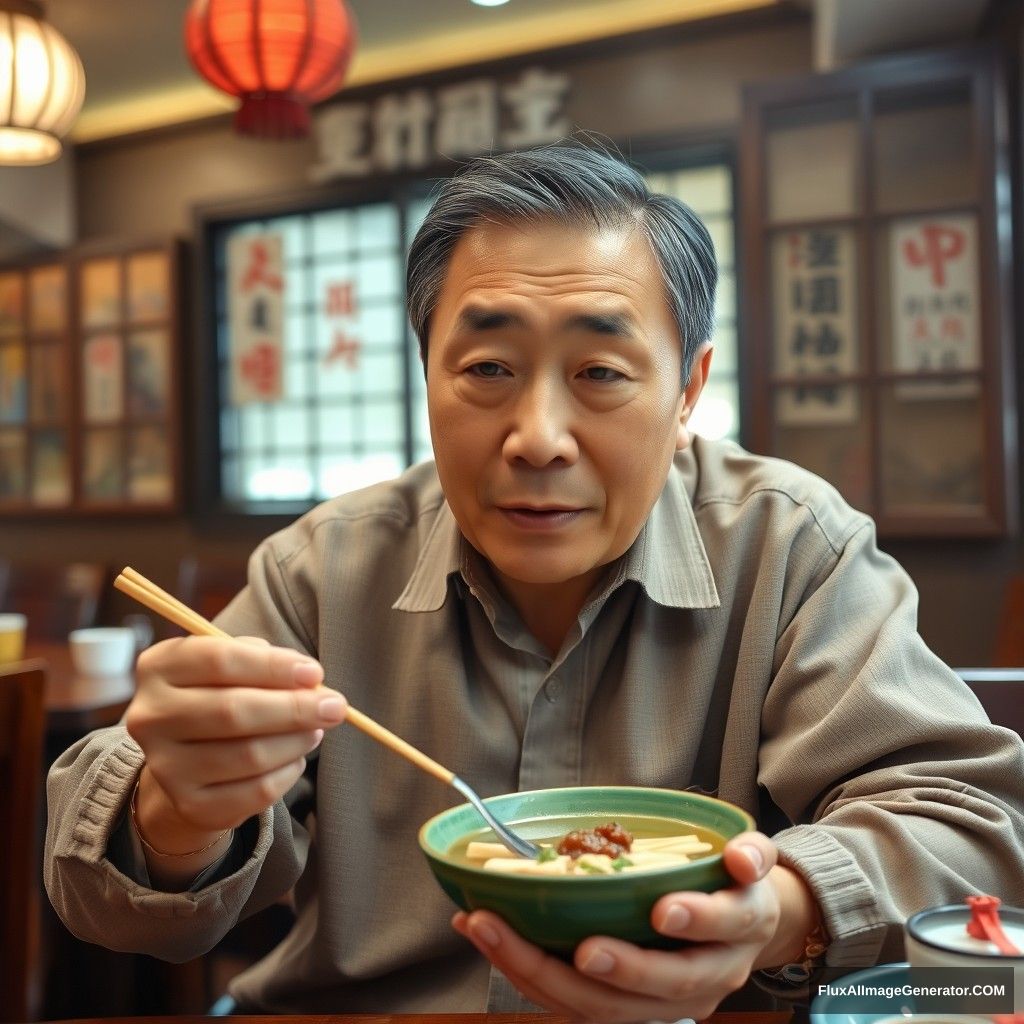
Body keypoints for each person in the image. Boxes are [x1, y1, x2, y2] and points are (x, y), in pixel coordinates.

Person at [46, 144, 1024, 1020]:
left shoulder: (788, 547)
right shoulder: (324, 567)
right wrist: (177, 810)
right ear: (424, 375)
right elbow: (98, 890)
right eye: (486, 367)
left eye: (600, 372)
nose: (539, 439)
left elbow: (971, 829)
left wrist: (777, 912)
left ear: (687, 390)